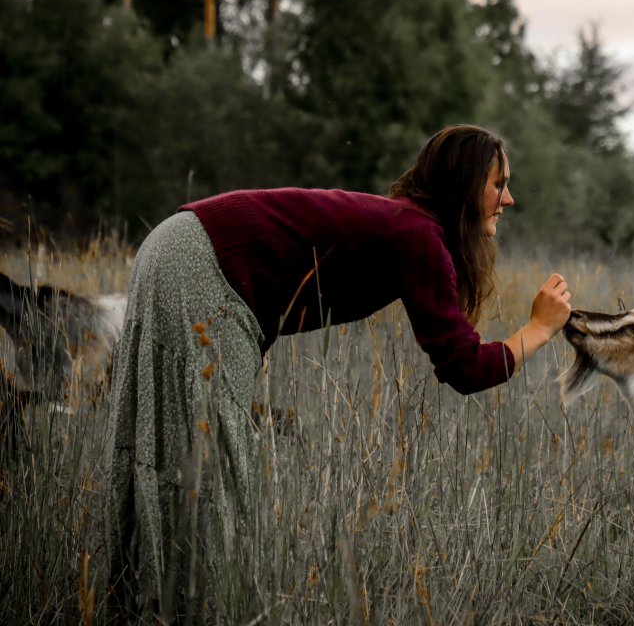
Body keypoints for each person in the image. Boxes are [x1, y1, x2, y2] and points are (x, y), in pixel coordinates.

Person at [103, 124, 571, 619]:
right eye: (499, 184)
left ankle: (140, 606)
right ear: (465, 184)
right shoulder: (418, 235)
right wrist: (539, 328)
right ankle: (179, 609)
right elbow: (464, 366)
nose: (509, 198)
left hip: (179, 243)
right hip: (199, 261)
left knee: (173, 445)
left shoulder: (409, 228)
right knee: (212, 466)